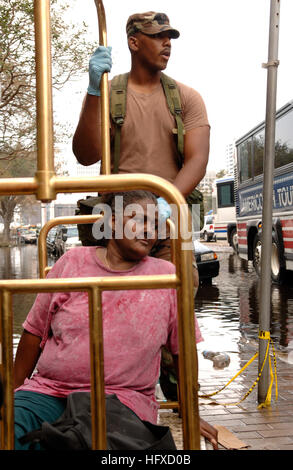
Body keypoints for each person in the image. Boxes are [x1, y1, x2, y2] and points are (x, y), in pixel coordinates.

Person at [13, 190, 218, 450]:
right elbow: (34, 331)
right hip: (50, 392)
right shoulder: (72, 262)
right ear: (111, 220)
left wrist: (191, 411)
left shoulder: (166, 276)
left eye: (155, 224)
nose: (149, 231)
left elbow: (184, 351)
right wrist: (13, 395)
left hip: (122, 401)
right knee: (9, 429)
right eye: (140, 220)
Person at [72, 11, 210, 290]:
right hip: (120, 220)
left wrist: (164, 202)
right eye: (158, 36)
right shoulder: (110, 94)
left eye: (169, 37)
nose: (167, 43)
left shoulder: (186, 98)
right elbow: (85, 155)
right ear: (134, 43)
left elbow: (198, 160)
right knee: (115, 303)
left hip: (171, 217)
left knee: (179, 297)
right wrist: (94, 91)